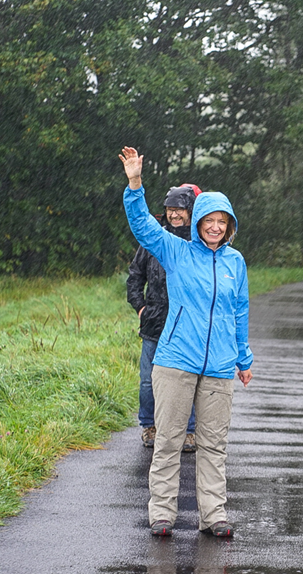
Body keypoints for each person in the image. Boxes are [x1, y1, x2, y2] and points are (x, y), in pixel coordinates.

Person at [119, 146, 253, 539]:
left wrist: (243, 358)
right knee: (170, 440)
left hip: (219, 367)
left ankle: (214, 516)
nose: (214, 227)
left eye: (221, 222)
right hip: (176, 360)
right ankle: (162, 512)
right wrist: (134, 183)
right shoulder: (175, 251)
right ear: (196, 222)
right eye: (208, 220)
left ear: (230, 226)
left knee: (214, 445)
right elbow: (142, 224)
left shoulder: (235, 262)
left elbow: (239, 312)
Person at [127, 184, 202, 452]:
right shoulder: (153, 240)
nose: (174, 215)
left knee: (187, 379)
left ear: (191, 211)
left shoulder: (199, 243)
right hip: (155, 322)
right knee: (148, 381)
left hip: (187, 325)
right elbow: (135, 276)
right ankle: (149, 425)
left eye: (180, 210)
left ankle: (189, 431)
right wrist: (141, 308)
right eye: (170, 210)